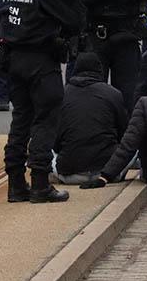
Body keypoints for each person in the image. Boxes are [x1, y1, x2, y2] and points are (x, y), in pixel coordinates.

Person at [0, 0, 86, 204]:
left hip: (13, 58)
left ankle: (15, 183)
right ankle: (40, 183)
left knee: (20, 120)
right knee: (46, 120)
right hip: (41, 60)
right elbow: (75, 19)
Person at [53, 51, 128, 185]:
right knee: (134, 143)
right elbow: (124, 133)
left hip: (69, 172)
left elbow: (55, 140)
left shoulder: (62, 94)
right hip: (109, 171)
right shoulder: (113, 93)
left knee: (41, 144)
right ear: (99, 69)